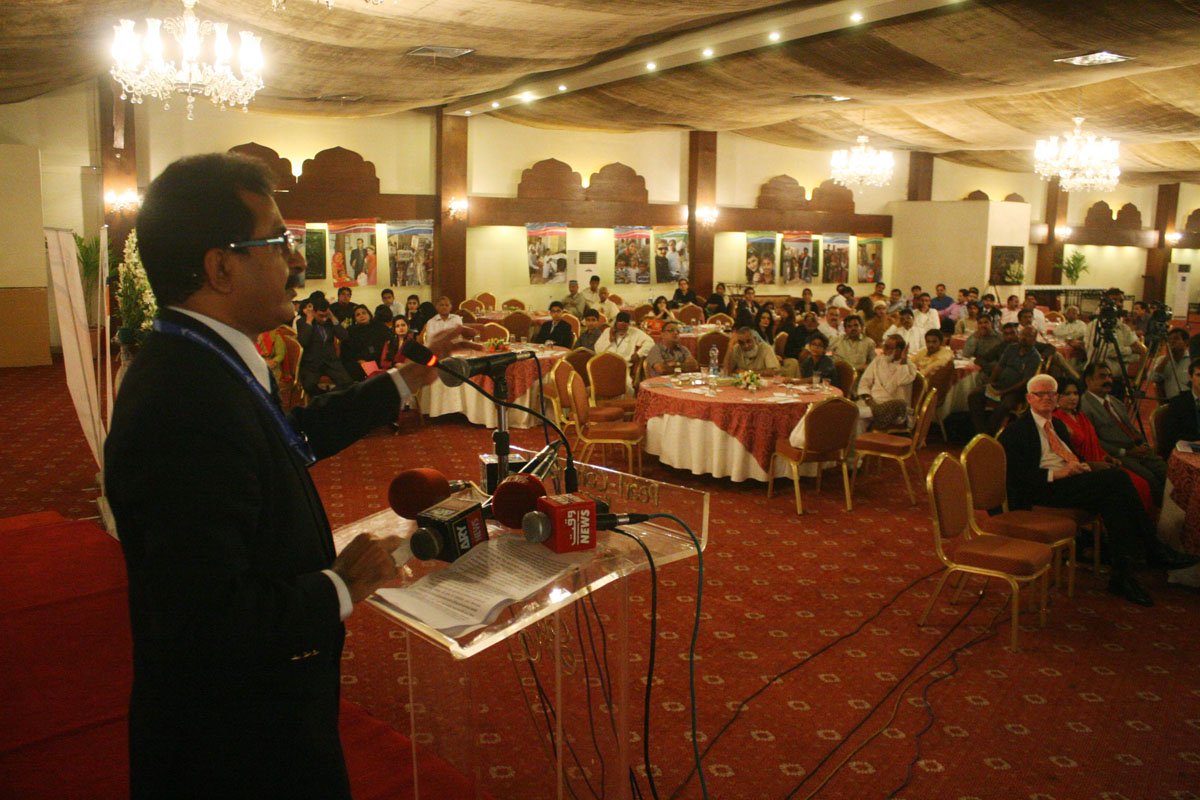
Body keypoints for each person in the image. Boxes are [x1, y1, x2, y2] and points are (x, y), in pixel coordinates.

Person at [105, 152, 458, 799]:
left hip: (263, 706)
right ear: (220, 267)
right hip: (232, 743)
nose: (298, 261)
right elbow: (204, 619)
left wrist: (406, 379)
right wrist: (337, 588)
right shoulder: (182, 402)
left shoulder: (207, 358)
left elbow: (290, 436)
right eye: (280, 241)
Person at [998, 374, 1197, 607]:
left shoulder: (1057, 425)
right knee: (1116, 479)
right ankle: (1152, 548)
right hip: (1042, 489)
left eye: (1052, 394)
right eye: (1040, 394)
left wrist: (1080, 464)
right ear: (1029, 398)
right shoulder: (1017, 431)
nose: (1047, 398)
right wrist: (1057, 474)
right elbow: (1017, 478)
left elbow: (1068, 454)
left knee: (1114, 501)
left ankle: (1123, 576)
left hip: (1068, 482)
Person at [1053, 378, 1154, 517]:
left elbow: (1095, 443)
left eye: (1076, 393)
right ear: (1057, 396)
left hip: (1101, 460)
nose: (1073, 398)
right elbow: (1066, 454)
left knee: (1142, 484)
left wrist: (1107, 457)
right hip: (1083, 468)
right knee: (1133, 486)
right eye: (1067, 394)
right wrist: (1094, 464)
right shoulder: (1056, 420)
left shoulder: (1081, 416)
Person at [1080, 363, 1167, 504]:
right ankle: (1158, 517)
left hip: (1137, 448)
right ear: (1088, 380)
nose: (1108, 380)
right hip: (1118, 454)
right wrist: (1125, 452)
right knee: (1149, 479)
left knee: (1168, 473)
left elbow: (1130, 428)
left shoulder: (1115, 402)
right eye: (1102, 376)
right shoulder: (1084, 406)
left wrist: (1141, 443)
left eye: (1109, 376)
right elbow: (1095, 440)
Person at [968, 324, 1042, 435]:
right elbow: (999, 367)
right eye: (1023, 334)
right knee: (974, 395)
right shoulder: (1011, 348)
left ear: (1034, 339)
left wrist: (1003, 392)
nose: (1024, 338)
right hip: (1000, 385)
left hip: (1016, 391)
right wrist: (990, 383)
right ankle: (981, 432)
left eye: (1028, 336)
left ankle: (989, 435)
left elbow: (1025, 381)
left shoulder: (1034, 357)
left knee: (1004, 406)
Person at [855, 333, 917, 430]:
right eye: (884, 346)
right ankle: (858, 444)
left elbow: (902, 380)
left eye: (888, 348)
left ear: (899, 350)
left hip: (894, 409)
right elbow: (865, 382)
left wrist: (903, 360)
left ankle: (857, 412)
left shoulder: (909, 367)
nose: (884, 351)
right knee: (859, 421)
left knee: (857, 414)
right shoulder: (878, 360)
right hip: (872, 402)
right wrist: (868, 399)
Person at [297, 297, 354, 396]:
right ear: (314, 312)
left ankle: (329, 397)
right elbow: (303, 341)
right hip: (312, 363)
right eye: (320, 316)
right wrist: (309, 321)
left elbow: (344, 336)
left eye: (325, 315)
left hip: (331, 361)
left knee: (347, 383)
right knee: (308, 385)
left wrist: (332, 317)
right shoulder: (303, 322)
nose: (324, 318)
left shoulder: (330, 321)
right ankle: (322, 397)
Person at [1157, 358, 1200, 458]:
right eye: (1199, 375)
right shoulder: (1178, 403)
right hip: (1185, 453)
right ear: (1190, 376)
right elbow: (1170, 437)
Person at [342, 303, 390, 381]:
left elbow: (388, 344)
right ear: (355, 319)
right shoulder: (350, 331)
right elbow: (346, 352)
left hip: (379, 360)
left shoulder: (380, 327)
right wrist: (359, 360)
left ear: (369, 314)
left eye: (364, 313)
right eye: (358, 315)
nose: (361, 316)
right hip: (359, 363)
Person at [1151, 328, 1191, 400]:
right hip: (1170, 403)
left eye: (1176, 339)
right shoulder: (1161, 360)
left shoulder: (1192, 360)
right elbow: (1152, 378)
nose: (1172, 342)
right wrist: (1166, 359)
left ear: (1186, 342)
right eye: (1169, 339)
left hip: (1191, 403)